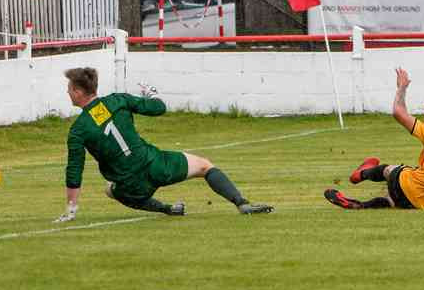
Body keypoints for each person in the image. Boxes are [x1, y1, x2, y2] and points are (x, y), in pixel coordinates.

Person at [54, 67, 273, 222]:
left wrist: (71, 208)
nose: (67, 92)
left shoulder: (78, 130)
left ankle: (168, 209)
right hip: (155, 164)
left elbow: (74, 171)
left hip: (131, 184)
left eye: (69, 88)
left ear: (78, 92)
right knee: (205, 166)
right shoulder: (117, 100)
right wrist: (152, 94)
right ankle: (241, 202)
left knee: (112, 191)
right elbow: (159, 108)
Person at [324, 67, 424, 210]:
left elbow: (398, 112)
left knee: (390, 170)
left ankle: (361, 174)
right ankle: (361, 205)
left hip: (403, 184)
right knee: (391, 201)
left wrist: (402, 88)